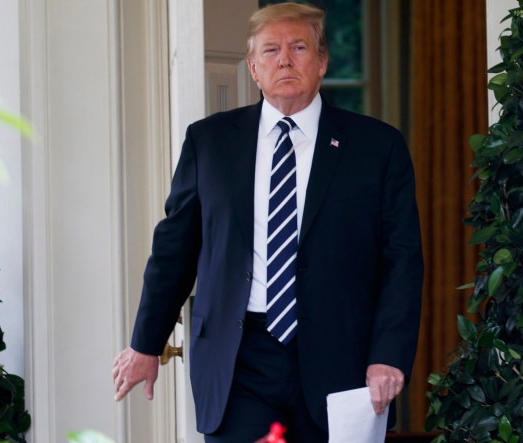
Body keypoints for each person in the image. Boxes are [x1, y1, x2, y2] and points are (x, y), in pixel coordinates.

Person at [112, 2, 423, 442]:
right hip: (238, 360)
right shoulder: (210, 142)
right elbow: (174, 251)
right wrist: (145, 343)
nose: (285, 60)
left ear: (322, 61)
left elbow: (402, 262)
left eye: (299, 47)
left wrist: (388, 355)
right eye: (271, 50)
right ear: (254, 67)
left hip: (340, 357)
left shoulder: (377, 147)